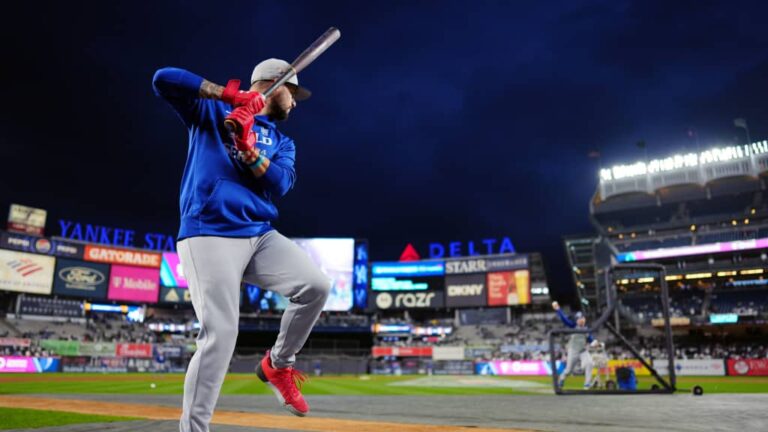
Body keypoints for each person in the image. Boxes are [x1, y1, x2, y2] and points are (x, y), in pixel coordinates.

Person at [152, 59, 331, 430]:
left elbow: (280, 184)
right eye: (293, 94)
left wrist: (249, 150)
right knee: (221, 334)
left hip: (258, 233)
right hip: (209, 230)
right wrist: (227, 95)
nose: (295, 104)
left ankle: (278, 365)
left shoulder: (283, 141)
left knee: (315, 286)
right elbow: (163, 79)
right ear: (274, 84)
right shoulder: (212, 111)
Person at [552, 301, 594, 389]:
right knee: (568, 370)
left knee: (590, 363)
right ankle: (562, 378)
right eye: (579, 319)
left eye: (582, 318)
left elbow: (591, 340)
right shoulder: (573, 326)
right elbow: (564, 319)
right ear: (576, 320)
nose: (581, 320)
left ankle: (587, 384)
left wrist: (597, 343)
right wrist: (558, 309)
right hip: (573, 350)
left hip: (583, 350)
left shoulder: (587, 329)